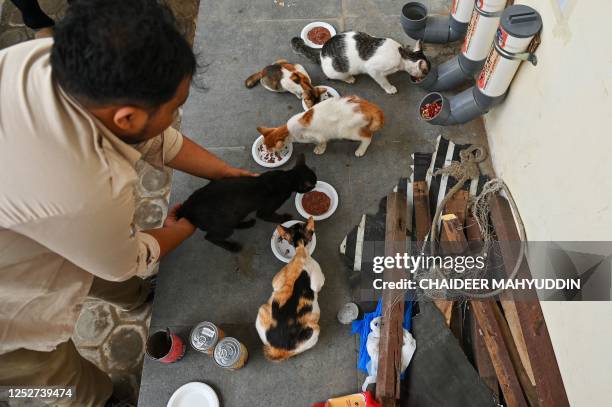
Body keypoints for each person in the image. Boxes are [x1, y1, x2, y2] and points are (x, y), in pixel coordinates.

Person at [0, 0, 253, 406]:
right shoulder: (87, 189)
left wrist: (225, 174)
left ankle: (138, 298)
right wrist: (189, 220)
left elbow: (153, 136)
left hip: (28, 206)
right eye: (174, 109)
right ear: (127, 118)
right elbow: (128, 258)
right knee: (47, 374)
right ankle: (99, 399)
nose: (175, 117)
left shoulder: (50, 59)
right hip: (6, 304)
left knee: (102, 265)